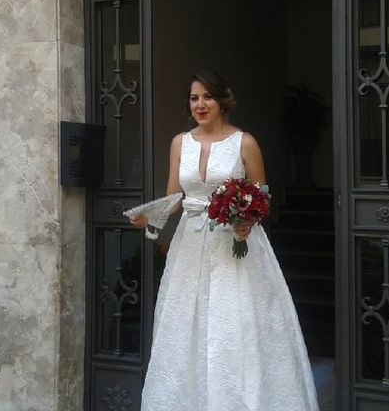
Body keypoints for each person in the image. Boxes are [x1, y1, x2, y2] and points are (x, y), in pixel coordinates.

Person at [130, 70, 319, 411]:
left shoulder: (244, 142)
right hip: (190, 245)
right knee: (186, 324)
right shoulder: (179, 143)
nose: (200, 105)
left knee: (234, 325)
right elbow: (175, 197)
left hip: (235, 245)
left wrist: (247, 219)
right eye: (193, 98)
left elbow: (262, 196)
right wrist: (151, 215)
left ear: (222, 101)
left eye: (207, 97)